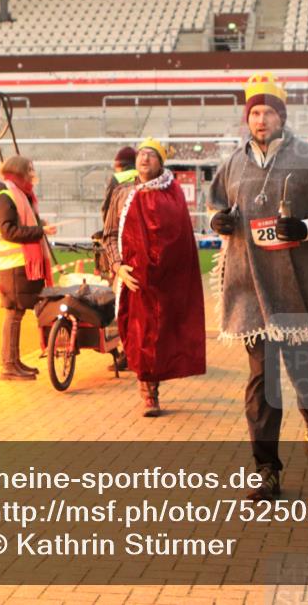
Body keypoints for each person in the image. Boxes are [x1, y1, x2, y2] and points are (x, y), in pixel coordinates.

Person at [209, 72, 308, 501]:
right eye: (254, 113)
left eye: (268, 112)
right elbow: (218, 207)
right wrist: (219, 222)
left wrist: (305, 227)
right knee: (263, 378)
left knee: (303, 370)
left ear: (281, 116)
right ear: (248, 117)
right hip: (249, 285)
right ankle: (266, 470)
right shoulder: (233, 163)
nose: (261, 120)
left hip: (296, 282)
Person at [115, 137, 206, 417]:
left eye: (151, 155)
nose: (144, 159)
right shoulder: (123, 193)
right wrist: (117, 265)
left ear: (161, 162)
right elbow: (109, 233)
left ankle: (156, 384)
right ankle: (148, 394)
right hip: (136, 279)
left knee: (164, 336)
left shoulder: (173, 193)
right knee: (142, 336)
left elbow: (180, 236)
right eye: (141, 154)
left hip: (168, 279)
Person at [0, 155, 57, 381]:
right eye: (29, 170)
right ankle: (8, 364)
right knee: (13, 313)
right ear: (19, 171)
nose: (32, 174)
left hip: (18, 263)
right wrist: (39, 232)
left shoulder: (17, 195)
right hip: (13, 264)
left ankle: (14, 361)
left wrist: (40, 226)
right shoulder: (6, 196)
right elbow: (9, 231)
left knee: (16, 313)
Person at [100, 146, 140, 371]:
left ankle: (127, 353)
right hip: (142, 250)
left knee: (122, 304)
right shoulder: (147, 177)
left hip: (122, 250)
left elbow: (107, 211)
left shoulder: (117, 180)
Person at [100, 146, 138, 223]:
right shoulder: (144, 176)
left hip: (120, 226)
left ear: (119, 165)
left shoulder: (116, 178)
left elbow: (106, 207)